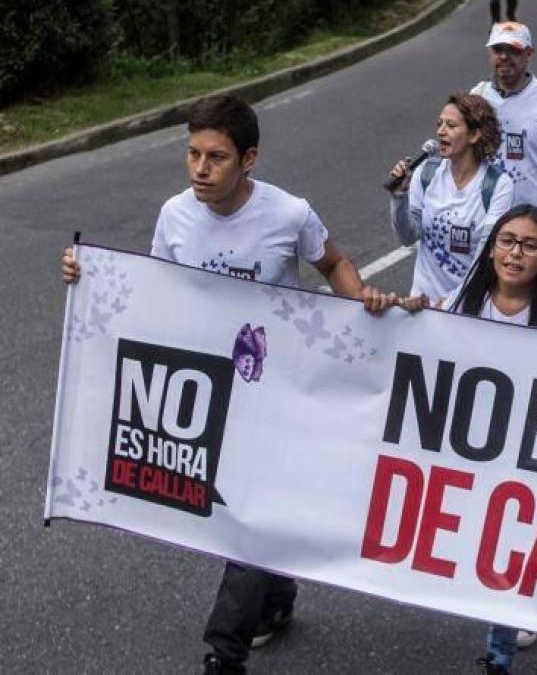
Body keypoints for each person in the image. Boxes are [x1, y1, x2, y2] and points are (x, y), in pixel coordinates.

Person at [60, 95, 391, 675]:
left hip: (277, 387)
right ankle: (278, 594)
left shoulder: (289, 215)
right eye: (192, 155)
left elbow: (333, 262)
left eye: (216, 157)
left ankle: (225, 652)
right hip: (206, 391)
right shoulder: (174, 216)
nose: (200, 170)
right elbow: (154, 287)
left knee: (248, 508)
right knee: (248, 509)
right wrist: (89, 276)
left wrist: (363, 307)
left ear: (249, 160)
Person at [394, 205, 537, 674]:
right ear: (491, 250)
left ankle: (499, 654)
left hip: (530, 449)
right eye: (506, 241)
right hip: (475, 443)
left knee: (513, 542)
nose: (515, 253)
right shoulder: (466, 298)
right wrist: (409, 314)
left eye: (529, 245)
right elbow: (425, 336)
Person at [387, 93, 515, 302]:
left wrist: (450, 303)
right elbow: (407, 237)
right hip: (422, 303)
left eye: (451, 125)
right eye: (440, 124)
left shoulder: (498, 185)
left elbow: (485, 257)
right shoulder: (426, 173)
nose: (440, 131)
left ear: (474, 135)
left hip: (467, 304)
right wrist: (398, 198)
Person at [469, 22, 537, 234]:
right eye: (498, 50)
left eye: (513, 50)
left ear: (529, 54)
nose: (504, 57)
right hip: (487, 220)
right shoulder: (477, 97)